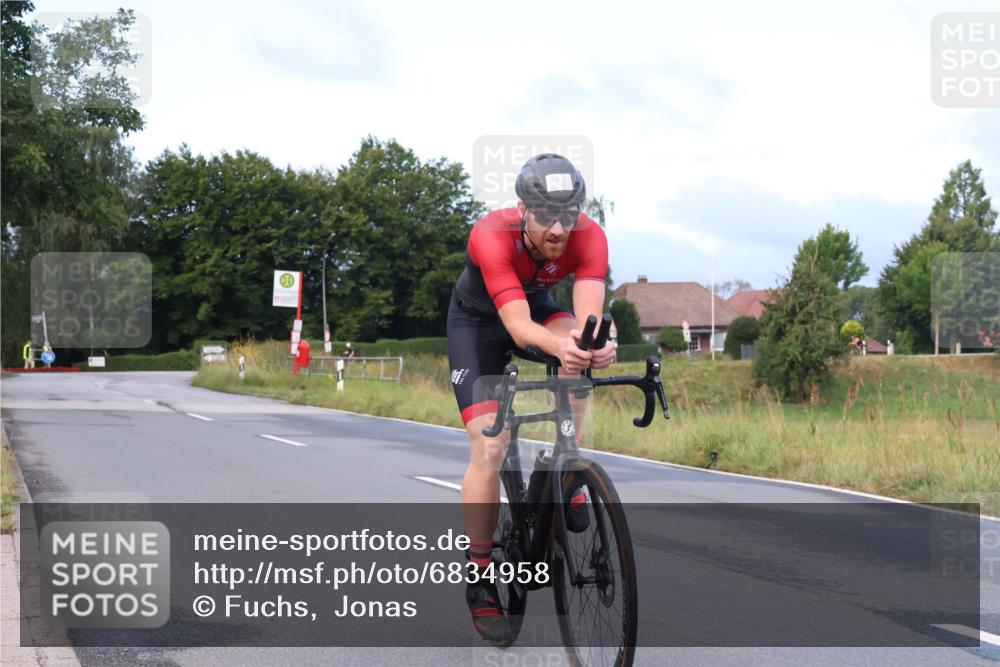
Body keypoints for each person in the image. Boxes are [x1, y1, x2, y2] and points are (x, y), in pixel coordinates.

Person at [446, 153, 615, 642]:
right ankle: (480, 574)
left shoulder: (591, 236)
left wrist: (594, 344)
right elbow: (517, 328)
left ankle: (570, 466)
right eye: (546, 216)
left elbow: (584, 318)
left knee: (580, 349)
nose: (559, 228)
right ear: (522, 209)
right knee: (491, 446)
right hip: (478, 326)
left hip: (535, 308)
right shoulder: (490, 235)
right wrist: (561, 344)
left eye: (569, 215)